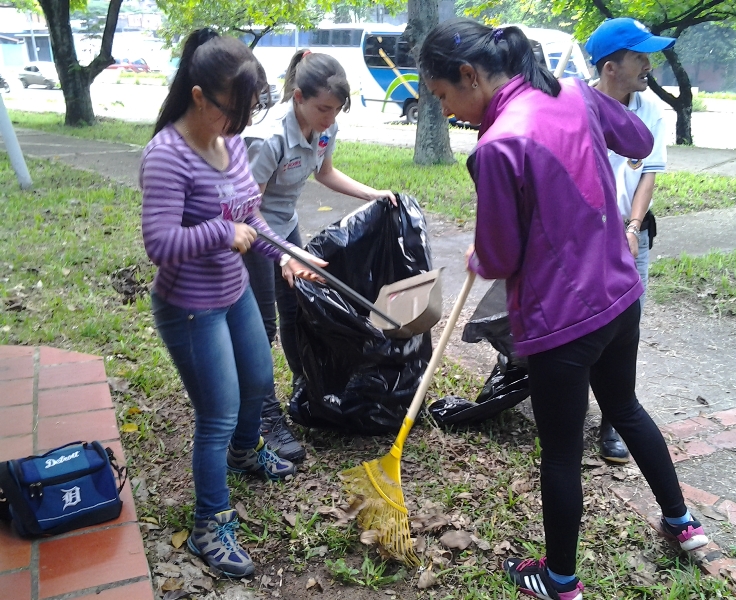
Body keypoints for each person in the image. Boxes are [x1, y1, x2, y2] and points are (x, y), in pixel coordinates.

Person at [419, 18, 708, 600]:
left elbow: (500, 255)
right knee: (623, 406)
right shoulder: (574, 92)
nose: (448, 109)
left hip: (562, 322)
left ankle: (560, 582)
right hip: (620, 296)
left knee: (560, 455)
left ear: (471, 76)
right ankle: (683, 525)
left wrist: (481, 254)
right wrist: (583, 103)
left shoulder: (497, 146)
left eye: (445, 95)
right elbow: (641, 143)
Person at [140, 28, 326, 578]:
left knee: (260, 377)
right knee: (216, 413)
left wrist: (289, 252)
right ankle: (208, 523)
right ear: (199, 96)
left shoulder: (229, 145)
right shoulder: (167, 155)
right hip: (191, 306)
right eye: (233, 111)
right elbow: (160, 245)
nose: (240, 124)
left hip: (234, 289)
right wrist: (220, 235)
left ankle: (248, 452)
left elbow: (249, 215)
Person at [243, 49, 396, 459]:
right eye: (323, 108)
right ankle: (262, 414)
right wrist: (282, 254)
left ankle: (307, 386)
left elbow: (325, 171)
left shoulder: (325, 128)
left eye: (336, 109)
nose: (329, 118)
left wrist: (373, 194)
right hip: (255, 236)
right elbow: (244, 208)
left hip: (286, 227)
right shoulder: (269, 137)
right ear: (298, 97)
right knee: (262, 325)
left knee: (298, 312)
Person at [585, 18, 675, 464]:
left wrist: (632, 228)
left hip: (629, 229)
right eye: (639, 56)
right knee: (582, 324)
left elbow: (648, 172)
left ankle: (614, 418)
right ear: (609, 67)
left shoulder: (649, 109)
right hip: (582, 237)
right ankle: (565, 407)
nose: (648, 63)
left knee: (626, 326)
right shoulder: (575, 105)